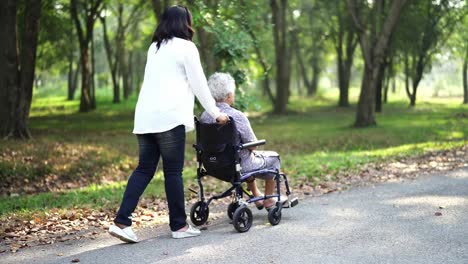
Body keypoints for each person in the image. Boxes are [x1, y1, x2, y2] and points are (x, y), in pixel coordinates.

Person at [108, 6, 229, 243]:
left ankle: (122, 222)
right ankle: (179, 226)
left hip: (145, 118)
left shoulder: (154, 48)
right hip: (168, 118)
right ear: (186, 23)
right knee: (173, 171)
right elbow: (200, 84)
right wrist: (215, 113)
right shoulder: (186, 47)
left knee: (144, 169)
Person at [200, 72, 285, 210]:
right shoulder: (236, 116)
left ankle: (256, 195)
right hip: (237, 166)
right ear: (229, 96)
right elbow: (253, 146)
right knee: (273, 158)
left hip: (212, 165)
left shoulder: (205, 115)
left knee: (242, 156)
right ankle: (269, 199)